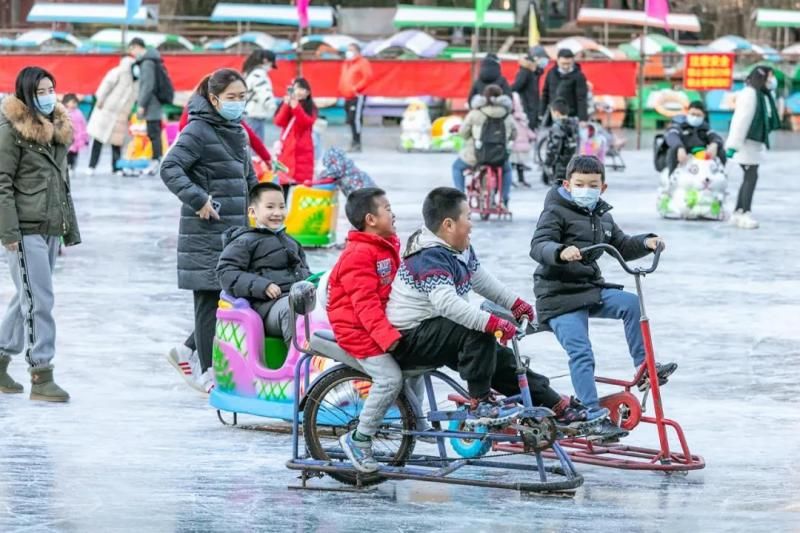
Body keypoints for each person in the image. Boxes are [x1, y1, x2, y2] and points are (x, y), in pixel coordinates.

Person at [386, 187, 602, 430]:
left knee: (503, 361)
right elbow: (446, 303)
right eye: (467, 217)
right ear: (448, 224)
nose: (472, 224)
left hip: (438, 331)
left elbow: (479, 278)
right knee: (478, 329)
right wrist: (492, 323)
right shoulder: (429, 255)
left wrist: (515, 303)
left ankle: (555, 406)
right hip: (410, 338)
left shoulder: (458, 247)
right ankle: (480, 403)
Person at [530, 155, 678, 440]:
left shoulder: (602, 216)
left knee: (631, 305)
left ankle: (644, 366)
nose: (586, 189)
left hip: (588, 288)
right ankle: (590, 414)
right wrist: (559, 252)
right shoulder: (555, 213)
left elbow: (620, 244)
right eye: (580, 184)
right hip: (558, 295)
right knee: (581, 351)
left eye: (592, 185)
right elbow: (539, 245)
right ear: (567, 184)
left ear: (603, 188)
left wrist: (646, 242)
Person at [161, 68, 257, 393]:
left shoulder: (237, 130)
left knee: (231, 296)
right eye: (231, 98)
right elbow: (169, 167)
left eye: (242, 97)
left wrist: (264, 205)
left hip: (235, 231)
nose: (238, 104)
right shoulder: (198, 130)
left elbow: (248, 177)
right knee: (209, 299)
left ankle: (186, 349)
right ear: (214, 99)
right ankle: (207, 371)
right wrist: (198, 198)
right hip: (205, 231)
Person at [0, 66, 81, 402]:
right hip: (23, 228)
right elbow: (1, 182)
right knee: (40, 300)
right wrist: (9, 232)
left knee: (28, 297)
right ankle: (41, 373)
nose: (48, 96)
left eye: (51, 89)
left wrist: (66, 228)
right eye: (40, 91)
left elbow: (60, 184)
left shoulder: (57, 130)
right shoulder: (10, 131)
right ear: (25, 94)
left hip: (49, 227)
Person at [325, 188, 403, 473]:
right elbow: (365, 306)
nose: (393, 214)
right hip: (357, 332)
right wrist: (389, 339)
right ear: (371, 219)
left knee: (414, 368)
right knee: (390, 378)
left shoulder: (385, 245)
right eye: (388, 208)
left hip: (377, 326)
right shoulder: (358, 255)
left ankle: (414, 424)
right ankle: (360, 438)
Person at [216, 182, 310, 346]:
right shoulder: (244, 242)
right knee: (292, 312)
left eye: (282, 207)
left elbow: (305, 272)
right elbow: (226, 272)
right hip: (265, 309)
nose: (277, 212)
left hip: (294, 299)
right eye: (270, 207)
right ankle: (300, 364)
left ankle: (333, 363)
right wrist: (263, 286)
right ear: (253, 212)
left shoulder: (292, 243)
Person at [725, 66, 780, 230]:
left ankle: (738, 211)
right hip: (746, 143)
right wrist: (733, 145)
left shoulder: (760, 94)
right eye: (769, 77)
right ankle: (744, 212)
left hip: (752, 143)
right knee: (751, 176)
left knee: (750, 176)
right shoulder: (750, 95)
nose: (771, 81)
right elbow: (741, 120)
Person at [452, 85, 516, 207]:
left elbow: (464, 133)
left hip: (476, 155)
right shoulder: (507, 114)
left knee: (457, 167)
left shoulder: (475, 113)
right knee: (507, 170)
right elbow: (514, 134)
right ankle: (504, 199)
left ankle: (460, 199)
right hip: (499, 156)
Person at [85, 55, 138, 176]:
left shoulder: (136, 79)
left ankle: (116, 167)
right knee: (98, 138)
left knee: (117, 142)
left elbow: (134, 97)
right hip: (107, 110)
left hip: (121, 114)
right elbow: (106, 85)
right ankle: (91, 166)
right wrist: (100, 99)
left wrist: (129, 111)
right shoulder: (118, 72)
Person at [274, 78, 317, 198]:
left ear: (308, 92)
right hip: (287, 151)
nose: (299, 92)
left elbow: (305, 122)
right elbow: (278, 121)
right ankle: (283, 213)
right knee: (283, 185)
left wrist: (296, 106)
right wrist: (286, 106)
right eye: (296, 88)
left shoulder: (311, 108)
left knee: (302, 188)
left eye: (302, 89)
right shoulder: (287, 104)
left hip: (303, 152)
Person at [128, 37, 165, 176]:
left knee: (153, 132)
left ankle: (157, 161)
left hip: (151, 102)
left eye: (132, 49)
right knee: (153, 132)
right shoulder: (150, 60)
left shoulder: (147, 62)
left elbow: (147, 85)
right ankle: (156, 160)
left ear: (137, 46)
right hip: (153, 101)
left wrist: (141, 104)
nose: (132, 53)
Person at [661, 101, 725, 175]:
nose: (695, 117)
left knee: (720, 149)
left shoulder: (705, 128)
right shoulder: (679, 125)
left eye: (698, 115)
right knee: (672, 150)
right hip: (683, 156)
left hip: (700, 157)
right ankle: (671, 175)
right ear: (687, 113)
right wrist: (679, 147)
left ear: (703, 116)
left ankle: (719, 174)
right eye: (693, 114)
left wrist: (715, 144)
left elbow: (716, 137)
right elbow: (671, 136)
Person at [338, 43, 372, 152]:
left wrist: (356, 88)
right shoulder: (347, 63)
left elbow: (367, 77)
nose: (348, 52)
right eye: (348, 50)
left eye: (351, 50)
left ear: (357, 51)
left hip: (357, 95)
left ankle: (357, 142)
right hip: (347, 95)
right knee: (350, 119)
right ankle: (353, 140)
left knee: (355, 119)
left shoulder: (362, 63)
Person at [540, 48, 589, 125]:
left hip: (570, 116)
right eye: (563, 63)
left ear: (572, 61)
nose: (566, 66)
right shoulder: (551, 73)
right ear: (558, 60)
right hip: (553, 115)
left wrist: (583, 119)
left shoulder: (578, 76)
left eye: (568, 63)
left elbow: (581, 98)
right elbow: (545, 94)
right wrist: (541, 113)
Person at [242, 49, 277, 141]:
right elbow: (264, 91)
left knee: (248, 144)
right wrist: (272, 106)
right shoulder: (259, 74)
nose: (270, 68)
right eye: (271, 64)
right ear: (265, 61)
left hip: (248, 113)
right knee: (255, 146)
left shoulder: (250, 73)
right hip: (255, 114)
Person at [542, 98, 579, 186]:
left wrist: (547, 163)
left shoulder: (557, 126)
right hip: (570, 163)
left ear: (556, 113)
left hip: (559, 165)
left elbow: (554, 147)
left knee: (558, 190)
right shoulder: (573, 125)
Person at [511, 46, 549, 130]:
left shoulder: (535, 71)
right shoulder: (526, 72)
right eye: (544, 58)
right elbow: (516, 86)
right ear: (536, 58)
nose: (546, 61)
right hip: (527, 109)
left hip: (532, 109)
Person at [509, 92, 535, 188]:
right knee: (520, 164)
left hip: (514, 144)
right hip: (523, 144)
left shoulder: (509, 117)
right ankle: (521, 179)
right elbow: (526, 129)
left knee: (512, 163)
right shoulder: (522, 117)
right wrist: (532, 136)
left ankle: (511, 180)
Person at [62, 94, 88, 171]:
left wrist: (85, 137)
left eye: (75, 102)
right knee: (67, 153)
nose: (74, 104)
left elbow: (83, 124)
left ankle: (72, 166)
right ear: (66, 103)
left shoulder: (79, 112)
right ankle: (67, 166)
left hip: (77, 138)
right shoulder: (64, 112)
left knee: (75, 154)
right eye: (72, 102)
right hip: (68, 137)